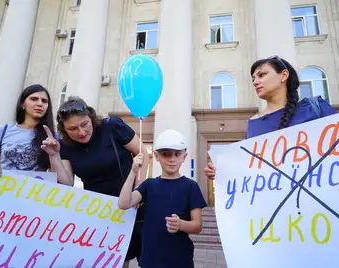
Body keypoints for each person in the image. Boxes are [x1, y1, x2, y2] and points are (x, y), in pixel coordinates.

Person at [41, 96, 149, 268]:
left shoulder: (112, 126)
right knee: (117, 260)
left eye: (84, 124)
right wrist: (54, 155)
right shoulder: (66, 145)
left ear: (91, 118)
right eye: (73, 129)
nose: (81, 132)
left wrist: (139, 189)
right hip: (102, 212)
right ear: (64, 130)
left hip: (134, 204)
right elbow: (67, 182)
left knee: (148, 258)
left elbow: (142, 151)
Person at [205, 55, 337, 180]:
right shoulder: (254, 123)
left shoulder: (315, 108)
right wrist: (223, 172)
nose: (255, 82)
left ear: (284, 75)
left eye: (262, 75)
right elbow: (252, 169)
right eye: (253, 79)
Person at [118, 129, 207, 268]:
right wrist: (133, 171)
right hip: (150, 259)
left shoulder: (191, 186)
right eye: (166, 154)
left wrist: (181, 225)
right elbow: (123, 203)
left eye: (177, 154)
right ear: (157, 156)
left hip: (180, 259)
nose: (172, 159)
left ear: (184, 156)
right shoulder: (149, 185)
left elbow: (197, 226)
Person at [0, 84, 55, 178]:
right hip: (1, 188)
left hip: (33, 190)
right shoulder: (3, 130)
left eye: (44, 101)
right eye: (34, 99)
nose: (40, 104)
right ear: (22, 104)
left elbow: (58, 177)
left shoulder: (51, 137)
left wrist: (54, 154)